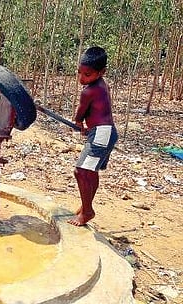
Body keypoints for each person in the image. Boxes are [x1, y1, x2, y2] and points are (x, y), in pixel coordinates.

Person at [68, 46, 118, 226]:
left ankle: (87, 211)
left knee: (80, 171)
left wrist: (79, 122)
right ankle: (85, 206)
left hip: (102, 134)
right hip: (105, 132)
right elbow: (96, 110)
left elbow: (81, 111)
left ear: (101, 72)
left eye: (87, 75)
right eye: (79, 73)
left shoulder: (89, 91)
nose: (82, 78)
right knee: (90, 171)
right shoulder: (101, 85)